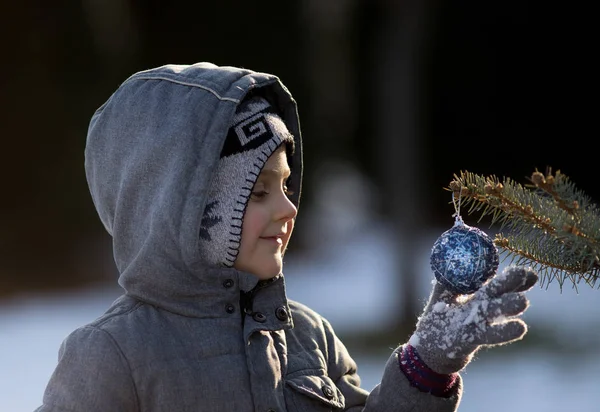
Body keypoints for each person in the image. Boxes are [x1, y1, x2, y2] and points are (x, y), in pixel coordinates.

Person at [35, 62, 538, 411]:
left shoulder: (307, 336)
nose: (289, 207)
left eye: (286, 185)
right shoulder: (112, 356)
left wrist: (426, 365)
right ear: (180, 213)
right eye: (257, 195)